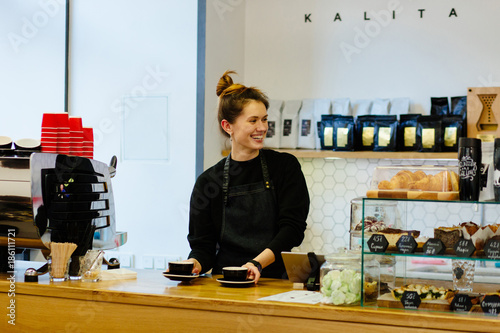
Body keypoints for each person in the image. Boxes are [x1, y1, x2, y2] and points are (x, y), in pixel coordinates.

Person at [186, 70, 310, 283]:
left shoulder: (284, 167)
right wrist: (193, 264)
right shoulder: (208, 182)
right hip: (223, 282)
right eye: (253, 121)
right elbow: (203, 246)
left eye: (264, 119)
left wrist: (257, 263)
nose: (262, 128)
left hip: (274, 282)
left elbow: (293, 229)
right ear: (228, 126)